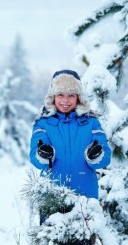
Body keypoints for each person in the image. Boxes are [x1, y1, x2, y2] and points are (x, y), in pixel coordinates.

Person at [29, 69, 111, 228]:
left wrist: (94, 155)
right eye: (60, 95)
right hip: (52, 198)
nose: (65, 100)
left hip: (85, 198)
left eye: (71, 95)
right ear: (52, 96)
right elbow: (35, 158)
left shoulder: (91, 122)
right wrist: (45, 154)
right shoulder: (43, 123)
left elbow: (105, 156)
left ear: (78, 97)